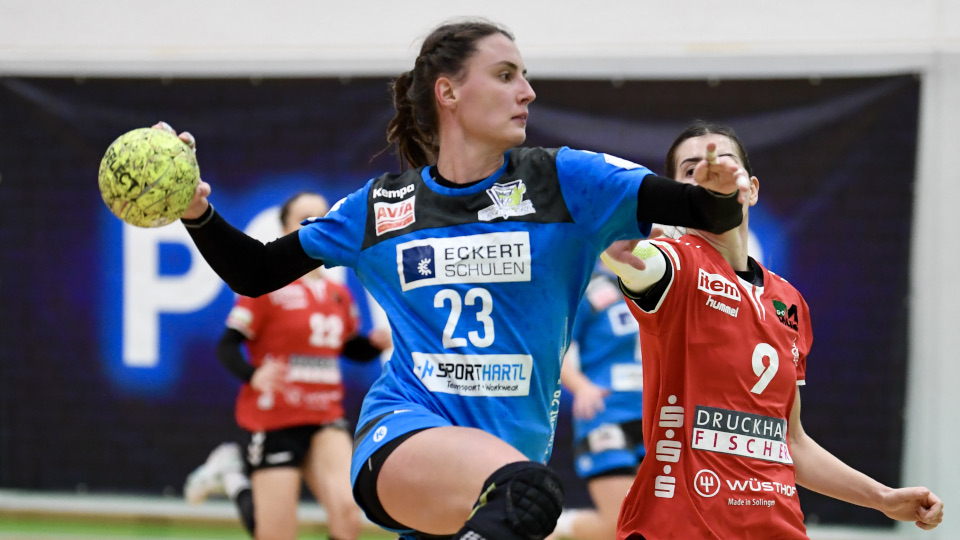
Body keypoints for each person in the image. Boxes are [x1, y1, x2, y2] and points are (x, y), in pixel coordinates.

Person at [159, 18, 753, 540]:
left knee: (519, 499)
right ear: (448, 92)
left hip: (501, 468)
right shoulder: (382, 208)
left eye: (524, 76)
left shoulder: (568, 181)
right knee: (527, 495)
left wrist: (721, 194)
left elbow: (701, 208)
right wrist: (197, 212)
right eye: (505, 75)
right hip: (404, 434)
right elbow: (255, 271)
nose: (527, 91)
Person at [601, 120, 944, 539]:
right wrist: (630, 229)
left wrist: (883, 498)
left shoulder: (789, 301)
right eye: (690, 171)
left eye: (723, 163)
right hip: (681, 527)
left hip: (775, 527)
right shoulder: (674, 264)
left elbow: (791, 442)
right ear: (673, 195)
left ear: (752, 189)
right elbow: (623, 255)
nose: (709, 173)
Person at [182, 192, 391, 540]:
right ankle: (234, 477)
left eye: (322, 216)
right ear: (284, 229)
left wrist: (372, 345)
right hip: (275, 419)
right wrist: (254, 375)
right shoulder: (265, 287)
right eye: (304, 217)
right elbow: (227, 345)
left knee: (347, 512)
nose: (315, 223)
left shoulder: (339, 295)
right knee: (276, 533)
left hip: (324, 416)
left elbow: (347, 348)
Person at [549, 262, 645, 540]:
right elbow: (555, 347)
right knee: (621, 524)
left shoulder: (664, 283)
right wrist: (582, 387)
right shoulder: (590, 286)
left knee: (658, 521)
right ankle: (553, 528)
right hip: (607, 413)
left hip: (659, 416)